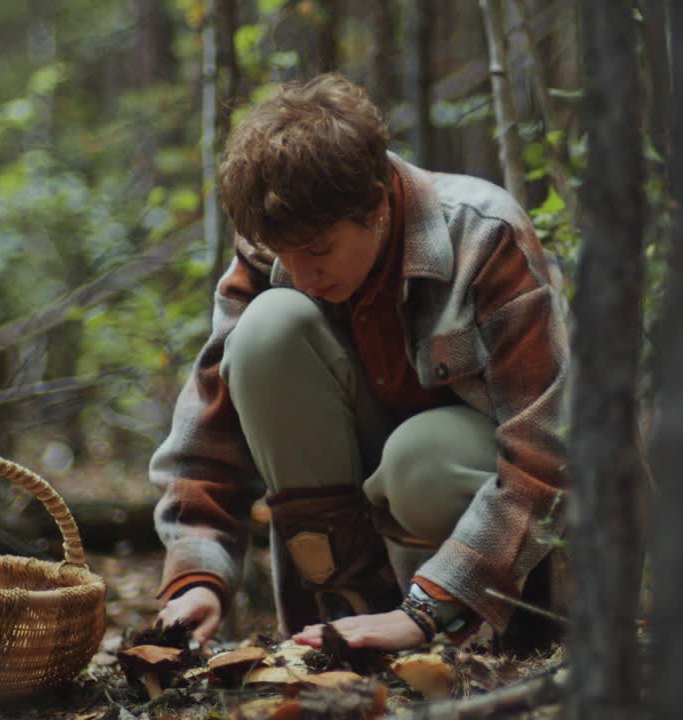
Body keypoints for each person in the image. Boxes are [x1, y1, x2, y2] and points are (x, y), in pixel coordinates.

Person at [150, 73, 569, 653]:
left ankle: (511, 628)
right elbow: (210, 432)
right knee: (265, 328)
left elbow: (545, 459)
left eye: (319, 252)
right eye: (285, 255)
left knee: (418, 459)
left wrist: (426, 611)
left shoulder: (485, 235)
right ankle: (347, 616)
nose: (301, 275)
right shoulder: (285, 240)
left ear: (376, 205)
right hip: (376, 493)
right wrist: (200, 577)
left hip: (496, 500)